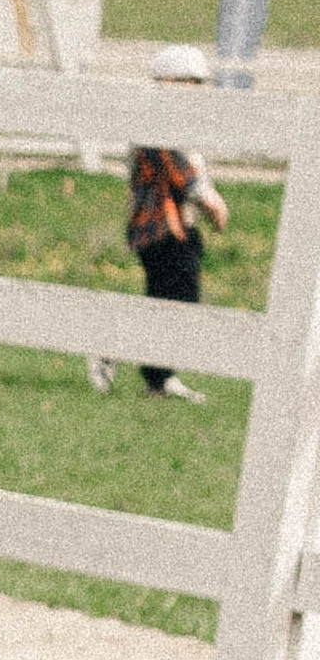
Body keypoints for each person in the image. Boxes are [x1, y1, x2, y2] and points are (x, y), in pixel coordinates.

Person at [87, 44, 229, 403]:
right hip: (159, 227)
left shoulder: (177, 120)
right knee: (173, 301)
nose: (197, 90)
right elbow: (178, 168)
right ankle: (126, 357)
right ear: (168, 80)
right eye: (190, 82)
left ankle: (159, 378)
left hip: (179, 226)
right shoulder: (154, 118)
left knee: (171, 301)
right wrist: (209, 198)